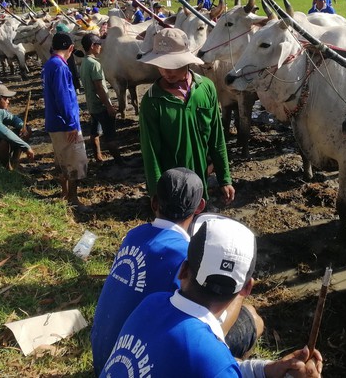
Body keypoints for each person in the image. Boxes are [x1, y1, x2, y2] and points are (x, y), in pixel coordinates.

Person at [99, 218, 322, 378]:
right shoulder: (210, 359)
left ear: (183, 270)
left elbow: (219, 368)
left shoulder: (152, 303)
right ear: (246, 289)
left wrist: (266, 370)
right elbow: (216, 367)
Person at [91, 168, 208, 373]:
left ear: (154, 203)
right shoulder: (185, 256)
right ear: (200, 207)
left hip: (102, 357)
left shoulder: (134, 234)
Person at [138, 27, 234, 206]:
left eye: (173, 65)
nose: (167, 71)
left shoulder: (206, 88)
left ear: (187, 61)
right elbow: (150, 152)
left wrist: (224, 178)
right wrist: (156, 191)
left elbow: (216, 137)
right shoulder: (152, 102)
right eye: (162, 65)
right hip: (172, 183)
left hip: (202, 176)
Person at [42, 32, 88, 208]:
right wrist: (71, 124)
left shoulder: (49, 64)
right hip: (65, 123)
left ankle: (64, 193)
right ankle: (73, 199)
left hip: (54, 121)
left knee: (61, 158)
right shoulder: (60, 67)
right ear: (70, 48)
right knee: (75, 161)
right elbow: (63, 98)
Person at [79, 33, 121, 163]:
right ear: (92, 46)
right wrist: (109, 106)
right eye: (99, 45)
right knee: (110, 136)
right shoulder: (95, 64)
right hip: (101, 105)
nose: (100, 48)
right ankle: (119, 161)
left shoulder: (84, 63)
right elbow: (99, 87)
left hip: (92, 105)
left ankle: (98, 157)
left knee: (94, 132)